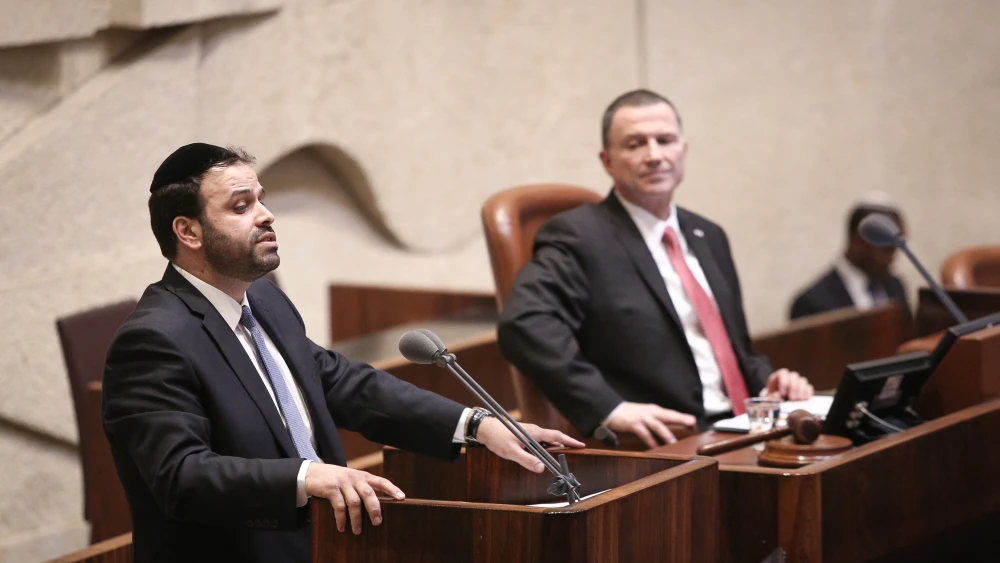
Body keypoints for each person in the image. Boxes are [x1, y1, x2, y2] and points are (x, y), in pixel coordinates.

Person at [102, 143, 582, 563]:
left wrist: (475, 425)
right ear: (188, 232)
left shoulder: (263, 299)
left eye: (262, 200)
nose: (266, 216)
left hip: (329, 545)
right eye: (242, 206)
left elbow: (339, 382)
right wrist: (306, 477)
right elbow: (181, 475)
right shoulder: (155, 340)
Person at [497, 89, 813, 448]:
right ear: (607, 161)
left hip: (748, 426)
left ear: (683, 150)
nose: (654, 155)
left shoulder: (708, 234)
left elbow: (736, 349)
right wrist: (608, 407)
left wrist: (770, 383)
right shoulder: (581, 236)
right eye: (635, 144)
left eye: (665, 140)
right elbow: (523, 325)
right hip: (673, 441)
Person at [790, 200, 909, 320]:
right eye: (888, 249)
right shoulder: (812, 303)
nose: (893, 258)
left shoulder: (895, 286)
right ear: (859, 240)